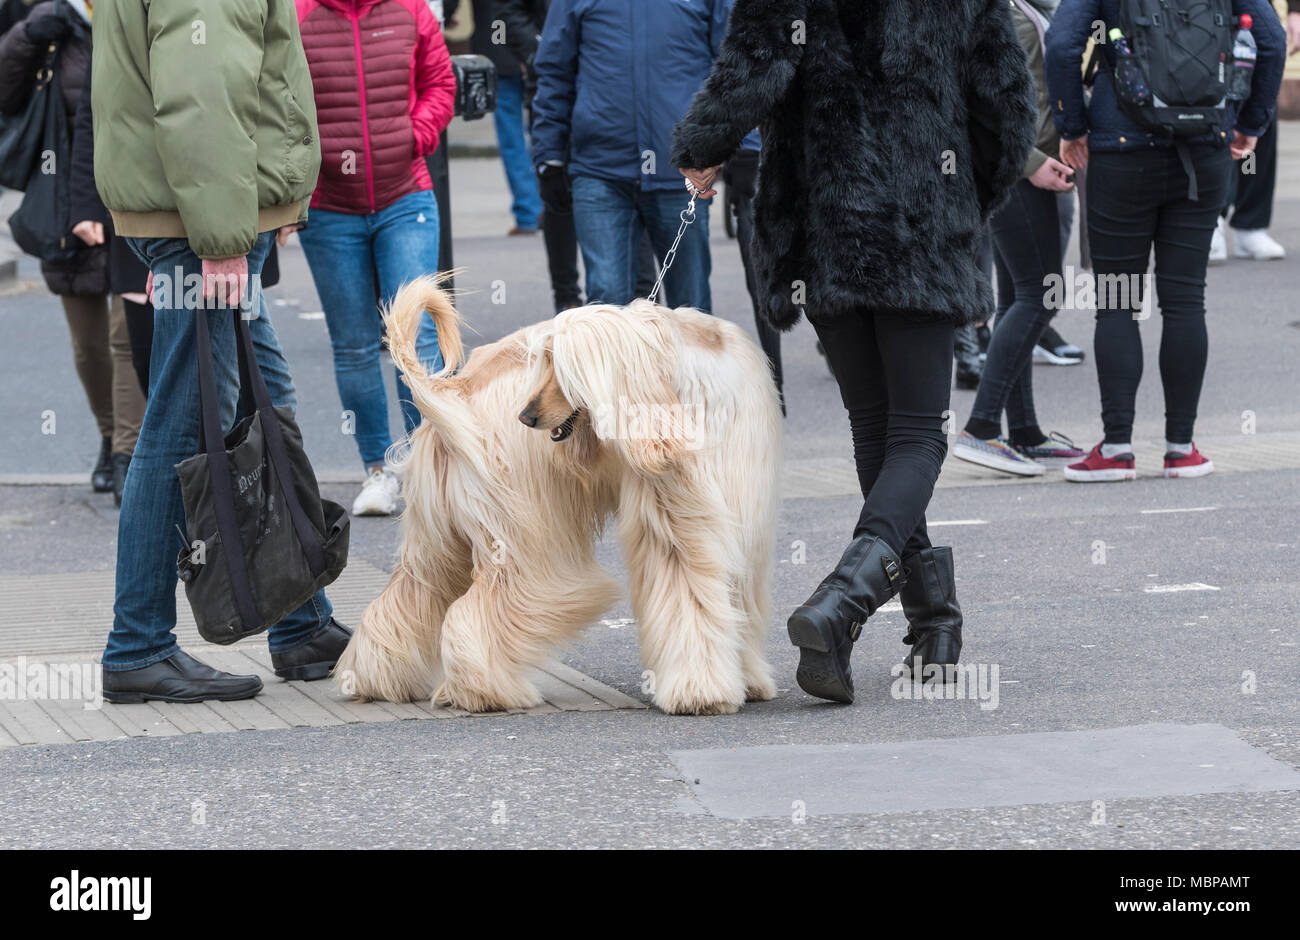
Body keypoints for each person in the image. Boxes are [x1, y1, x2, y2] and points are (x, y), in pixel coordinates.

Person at [674, 0, 1035, 702]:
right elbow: (1008, 107)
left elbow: (752, 69)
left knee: (876, 427)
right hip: (922, 218)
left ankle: (935, 623)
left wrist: (700, 147)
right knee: (919, 435)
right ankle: (843, 602)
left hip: (823, 221)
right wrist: (967, 195)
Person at [93, 0, 350, 703]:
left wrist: (259, 209)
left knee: (264, 407)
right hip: (199, 224)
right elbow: (200, 91)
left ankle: (300, 623)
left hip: (200, 218)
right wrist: (224, 234)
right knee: (183, 427)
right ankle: (138, 646)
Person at [1047, 0, 1285, 481]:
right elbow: (1273, 41)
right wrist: (1250, 123)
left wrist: (1072, 125)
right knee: (1185, 301)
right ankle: (1182, 449)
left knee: (1116, 302)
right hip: (1206, 148)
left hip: (1120, 146)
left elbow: (1062, 42)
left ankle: (1116, 449)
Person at [292, 0, 457, 516]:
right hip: (328, 209)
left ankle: (435, 469)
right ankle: (380, 470)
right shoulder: (297, 14)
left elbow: (441, 85)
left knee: (416, 333)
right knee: (355, 346)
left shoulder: (410, 10)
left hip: (405, 198)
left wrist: (416, 135)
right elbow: (276, 102)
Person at [0, 0, 142, 497]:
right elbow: (6, 92)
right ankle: (109, 434)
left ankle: (128, 450)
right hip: (65, 199)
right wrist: (27, 36)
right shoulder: (51, 23)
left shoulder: (135, 14)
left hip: (129, 196)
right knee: (89, 344)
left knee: (128, 338)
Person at [953, 0, 1086, 477]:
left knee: (1019, 298)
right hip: (1017, 169)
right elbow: (977, 103)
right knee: (1040, 295)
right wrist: (1031, 162)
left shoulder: (1026, 4)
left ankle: (1024, 430)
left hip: (1038, 164)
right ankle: (981, 429)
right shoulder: (988, 11)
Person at [532, 0, 729, 313]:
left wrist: (739, 145)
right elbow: (555, 71)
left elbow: (734, 63)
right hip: (600, 169)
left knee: (691, 312)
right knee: (606, 307)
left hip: (681, 170)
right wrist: (549, 157)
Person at [495, 0, 583, 312]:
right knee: (555, 185)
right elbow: (508, 11)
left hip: (607, 79)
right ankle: (566, 296)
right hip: (549, 81)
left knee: (621, 184)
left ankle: (625, 297)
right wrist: (540, 53)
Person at [472, 0, 543, 237]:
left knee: (512, 139)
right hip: (535, 46)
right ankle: (550, 209)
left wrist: (448, 14)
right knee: (543, 131)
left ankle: (528, 214)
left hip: (497, 52)